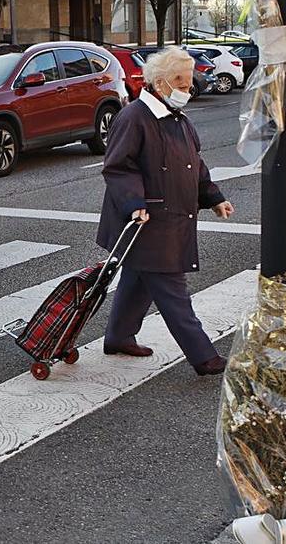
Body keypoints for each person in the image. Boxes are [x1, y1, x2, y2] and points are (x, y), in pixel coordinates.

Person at [96, 46, 236, 376]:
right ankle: (204, 357)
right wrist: (134, 204)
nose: (188, 90)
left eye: (189, 83)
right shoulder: (133, 118)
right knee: (172, 291)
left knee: (139, 279)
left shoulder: (178, 119)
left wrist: (214, 197)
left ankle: (118, 337)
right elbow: (118, 168)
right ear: (160, 83)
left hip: (167, 218)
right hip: (147, 222)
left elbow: (194, 165)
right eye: (182, 83)